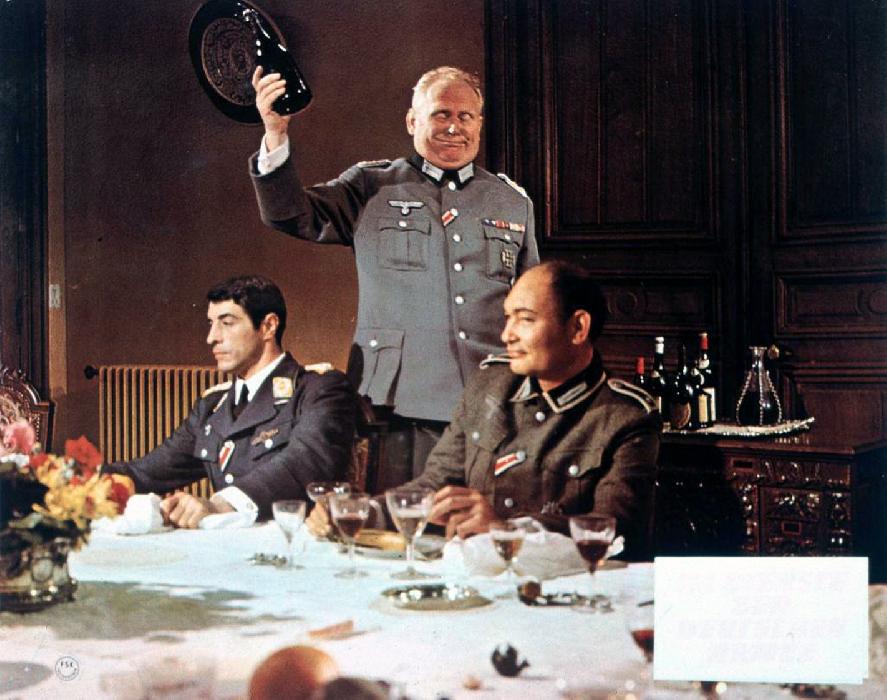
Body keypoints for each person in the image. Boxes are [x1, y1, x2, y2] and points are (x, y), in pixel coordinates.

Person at [249, 65, 540, 487]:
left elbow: (534, 308)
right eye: (441, 114)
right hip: (399, 403)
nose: (454, 127)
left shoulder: (512, 202)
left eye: (466, 116)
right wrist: (275, 133)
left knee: (485, 521)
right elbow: (290, 214)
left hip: (494, 400)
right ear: (412, 121)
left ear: (479, 124)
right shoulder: (371, 186)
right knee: (403, 522)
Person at [307, 262, 661, 560]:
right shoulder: (488, 386)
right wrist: (356, 512)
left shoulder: (626, 417)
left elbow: (616, 530)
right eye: (507, 318)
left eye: (525, 319)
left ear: (578, 327)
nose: (507, 335)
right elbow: (434, 487)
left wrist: (507, 530)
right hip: (476, 579)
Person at [103, 275, 357, 529]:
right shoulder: (212, 406)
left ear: (268, 326)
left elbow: (303, 462)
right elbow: (147, 472)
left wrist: (220, 505)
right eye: (211, 323)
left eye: (226, 323)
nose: (211, 337)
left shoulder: (318, 389)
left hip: (294, 544)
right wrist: (84, 481)